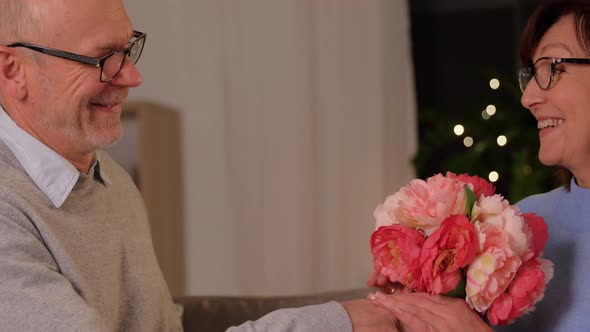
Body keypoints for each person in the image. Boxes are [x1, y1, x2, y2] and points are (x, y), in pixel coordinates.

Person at [0, 1, 401, 331]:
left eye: (128, 49)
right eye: (103, 58)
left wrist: (381, 310)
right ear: (13, 70)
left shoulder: (110, 179)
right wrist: (335, 323)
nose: (133, 76)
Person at [366, 0, 590, 331]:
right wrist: (425, 306)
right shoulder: (519, 226)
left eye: (552, 68)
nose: (528, 98)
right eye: (532, 72)